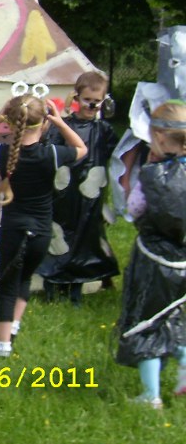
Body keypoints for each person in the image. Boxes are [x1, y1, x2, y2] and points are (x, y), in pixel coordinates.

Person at [0, 91, 86, 358]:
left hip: (13, 231)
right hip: (41, 232)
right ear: (44, 123)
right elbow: (82, 149)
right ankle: (14, 325)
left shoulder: (2, 153)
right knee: (25, 278)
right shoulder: (52, 154)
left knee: (8, 287)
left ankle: (2, 346)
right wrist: (60, 122)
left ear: (10, 123)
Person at [116, 100, 186, 409]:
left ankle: (150, 395)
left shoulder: (151, 175)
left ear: (157, 137)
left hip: (154, 261)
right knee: (173, 316)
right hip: (184, 260)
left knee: (146, 322)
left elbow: (134, 209)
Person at [38, 71, 119, 305]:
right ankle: (52, 285)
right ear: (77, 98)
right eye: (87, 100)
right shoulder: (63, 126)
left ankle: (76, 288)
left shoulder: (103, 130)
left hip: (90, 198)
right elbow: (49, 152)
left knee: (86, 237)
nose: (91, 106)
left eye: (97, 101)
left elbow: (116, 154)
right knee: (59, 236)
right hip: (63, 194)